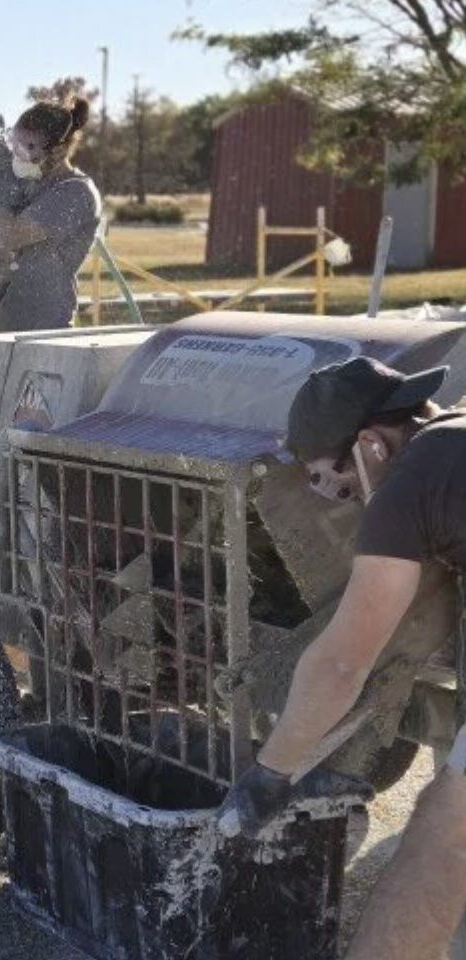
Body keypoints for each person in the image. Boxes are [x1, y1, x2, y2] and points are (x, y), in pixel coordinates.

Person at [215, 356, 466, 957]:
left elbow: (344, 660)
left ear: (371, 445)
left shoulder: (411, 483)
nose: (341, 498)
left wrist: (271, 773)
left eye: (338, 482)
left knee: (440, 841)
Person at [0, 96, 101, 333]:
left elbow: (2, 236)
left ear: (59, 151)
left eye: (30, 148)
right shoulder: (30, 186)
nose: (18, 155)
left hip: (44, 332)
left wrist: (3, 181)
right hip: (2, 327)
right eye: (16, 145)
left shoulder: (75, 192)